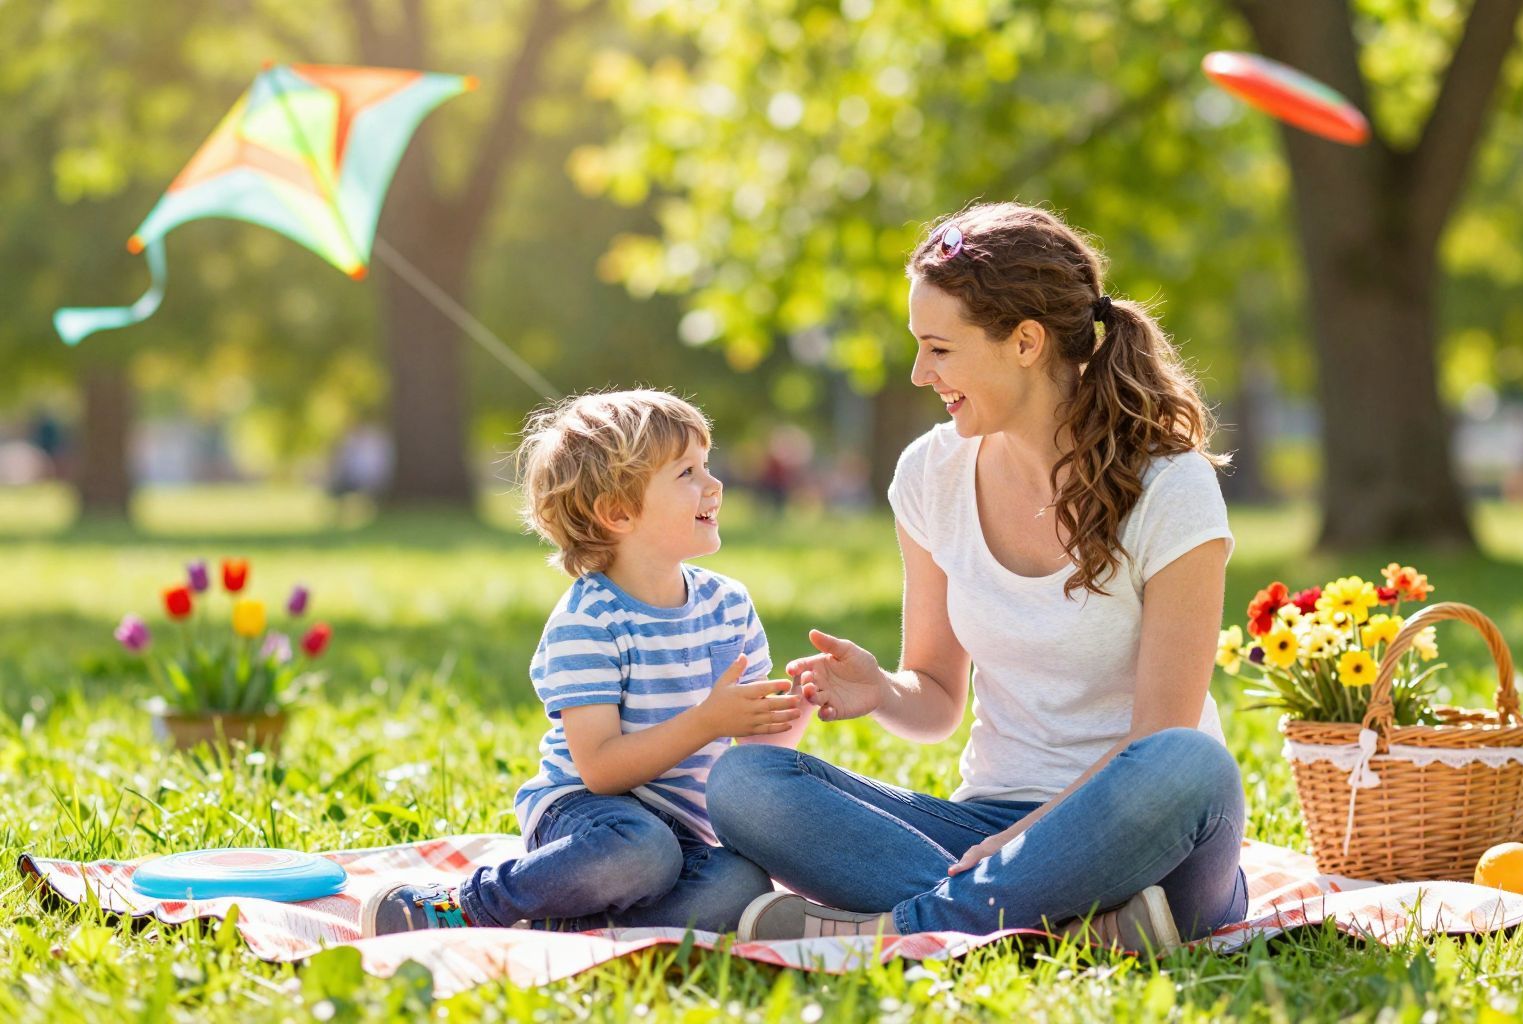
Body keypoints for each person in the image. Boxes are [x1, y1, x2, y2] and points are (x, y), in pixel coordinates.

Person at [708, 203, 1248, 953]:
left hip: (1146, 832)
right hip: (983, 825)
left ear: (1025, 342)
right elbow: (935, 696)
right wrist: (881, 692)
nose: (919, 373)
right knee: (746, 784)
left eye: (939, 348)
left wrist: (1030, 845)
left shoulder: (1169, 486)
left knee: (1191, 764)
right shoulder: (931, 473)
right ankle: (1067, 932)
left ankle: (896, 930)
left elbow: (1159, 735)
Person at [363, 390, 810, 936]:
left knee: (740, 887)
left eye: (707, 464)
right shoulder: (589, 620)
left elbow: (751, 752)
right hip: (586, 817)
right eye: (687, 472)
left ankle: (555, 922)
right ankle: (471, 903)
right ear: (618, 512)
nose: (714, 485)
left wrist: (795, 707)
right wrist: (708, 721)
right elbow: (600, 770)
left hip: (686, 834)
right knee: (641, 850)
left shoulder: (728, 605)